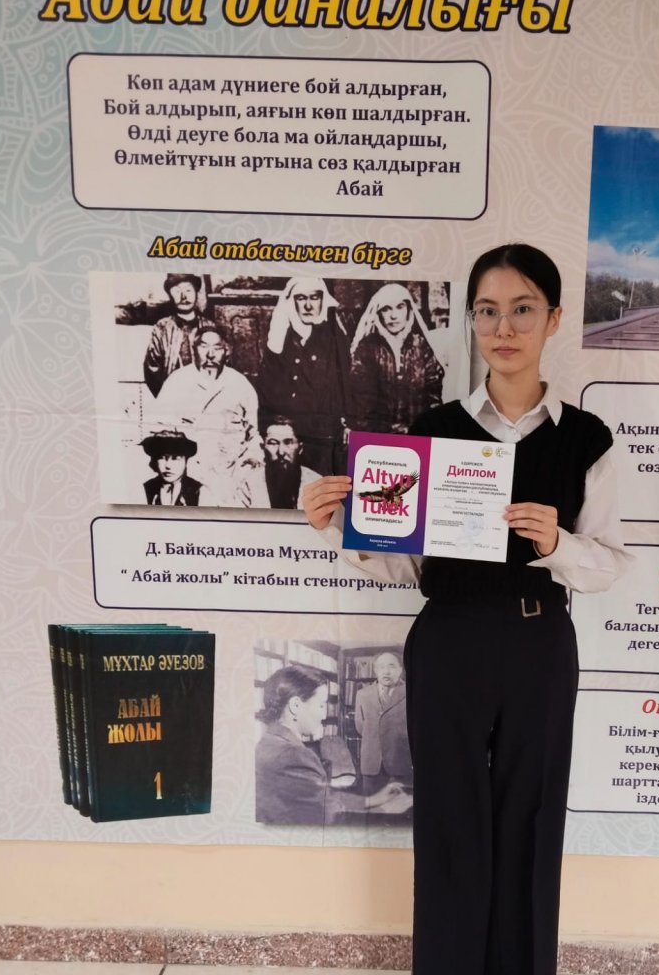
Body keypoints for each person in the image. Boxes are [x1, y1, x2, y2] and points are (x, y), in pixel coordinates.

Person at [303, 244, 631, 975]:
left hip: (538, 641)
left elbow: (609, 563)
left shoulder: (586, 439)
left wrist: (556, 544)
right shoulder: (432, 429)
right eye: (488, 311)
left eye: (522, 309)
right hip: (449, 637)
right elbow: (410, 566)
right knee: (450, 821)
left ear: (554, 319)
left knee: (532, 817)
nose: (503, 328)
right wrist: (337, 527)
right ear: (471, 321)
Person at [255, 664, 413, 825]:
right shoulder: (295, 755)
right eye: (321, 704)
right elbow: (328, 818)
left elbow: (322, 797)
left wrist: (371, 800)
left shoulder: (267, 742)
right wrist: (384, 810)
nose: (324, 715)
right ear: (295, 706)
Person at [153, 323, 263, 506]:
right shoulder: (177, 381)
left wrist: (251, 461)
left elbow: (253, 434)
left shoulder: (239, 384)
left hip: (231, 473)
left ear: (226, 351)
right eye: (204, 346)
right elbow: (159, 432)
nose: (210, 354)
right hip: (190, 472)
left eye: (217, 348)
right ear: (194, 349)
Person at [258, 276, 353, 476]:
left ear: (322, 300)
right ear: (292, 302)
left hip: (323, 434)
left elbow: (345, 384)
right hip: (288, 432)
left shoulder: (333, 337)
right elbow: (267, 387)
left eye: (314, 298)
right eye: (301, 298)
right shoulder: (279, 336)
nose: (308, 305)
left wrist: (347, 423)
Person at [350, 283, 444, 434]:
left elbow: (434, 398)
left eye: (400, 307)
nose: (393, 316)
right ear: (378, 313)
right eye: (386, 309)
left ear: (409, 310)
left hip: (418, 435)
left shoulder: (421, 346)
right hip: (378, 437)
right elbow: (361, 405)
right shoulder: (367, 349)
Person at [354, 651, 412, 795]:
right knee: (372, 806)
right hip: (371, 765)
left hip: (400, 764)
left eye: (391, 666)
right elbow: (360, 726)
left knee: (401, 806)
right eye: (381, 667)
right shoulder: (363, 694)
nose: (386, 671)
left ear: (400, 669)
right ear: (375, 670)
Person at [143, 273, 205, 397]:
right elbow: (152, 368)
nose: (183, 296)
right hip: (172, 398)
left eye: (188, 290)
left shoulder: (209, 326)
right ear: (170, 296)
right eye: (177, 291)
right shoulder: (162, 328)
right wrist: (166, 397)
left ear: (196, 293)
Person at [261, 416, 322, 511]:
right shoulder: (248, 485)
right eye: (273, 443)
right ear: (263, 448)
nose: (281, 452)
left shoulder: (317, 485)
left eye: (288, 443)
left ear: (300, 448)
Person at [139, 429, 203, 505]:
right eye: (162, 458)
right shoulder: (145, 489)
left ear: (186, 461)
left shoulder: (198, 491)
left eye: (175, 458)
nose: (168, 466)